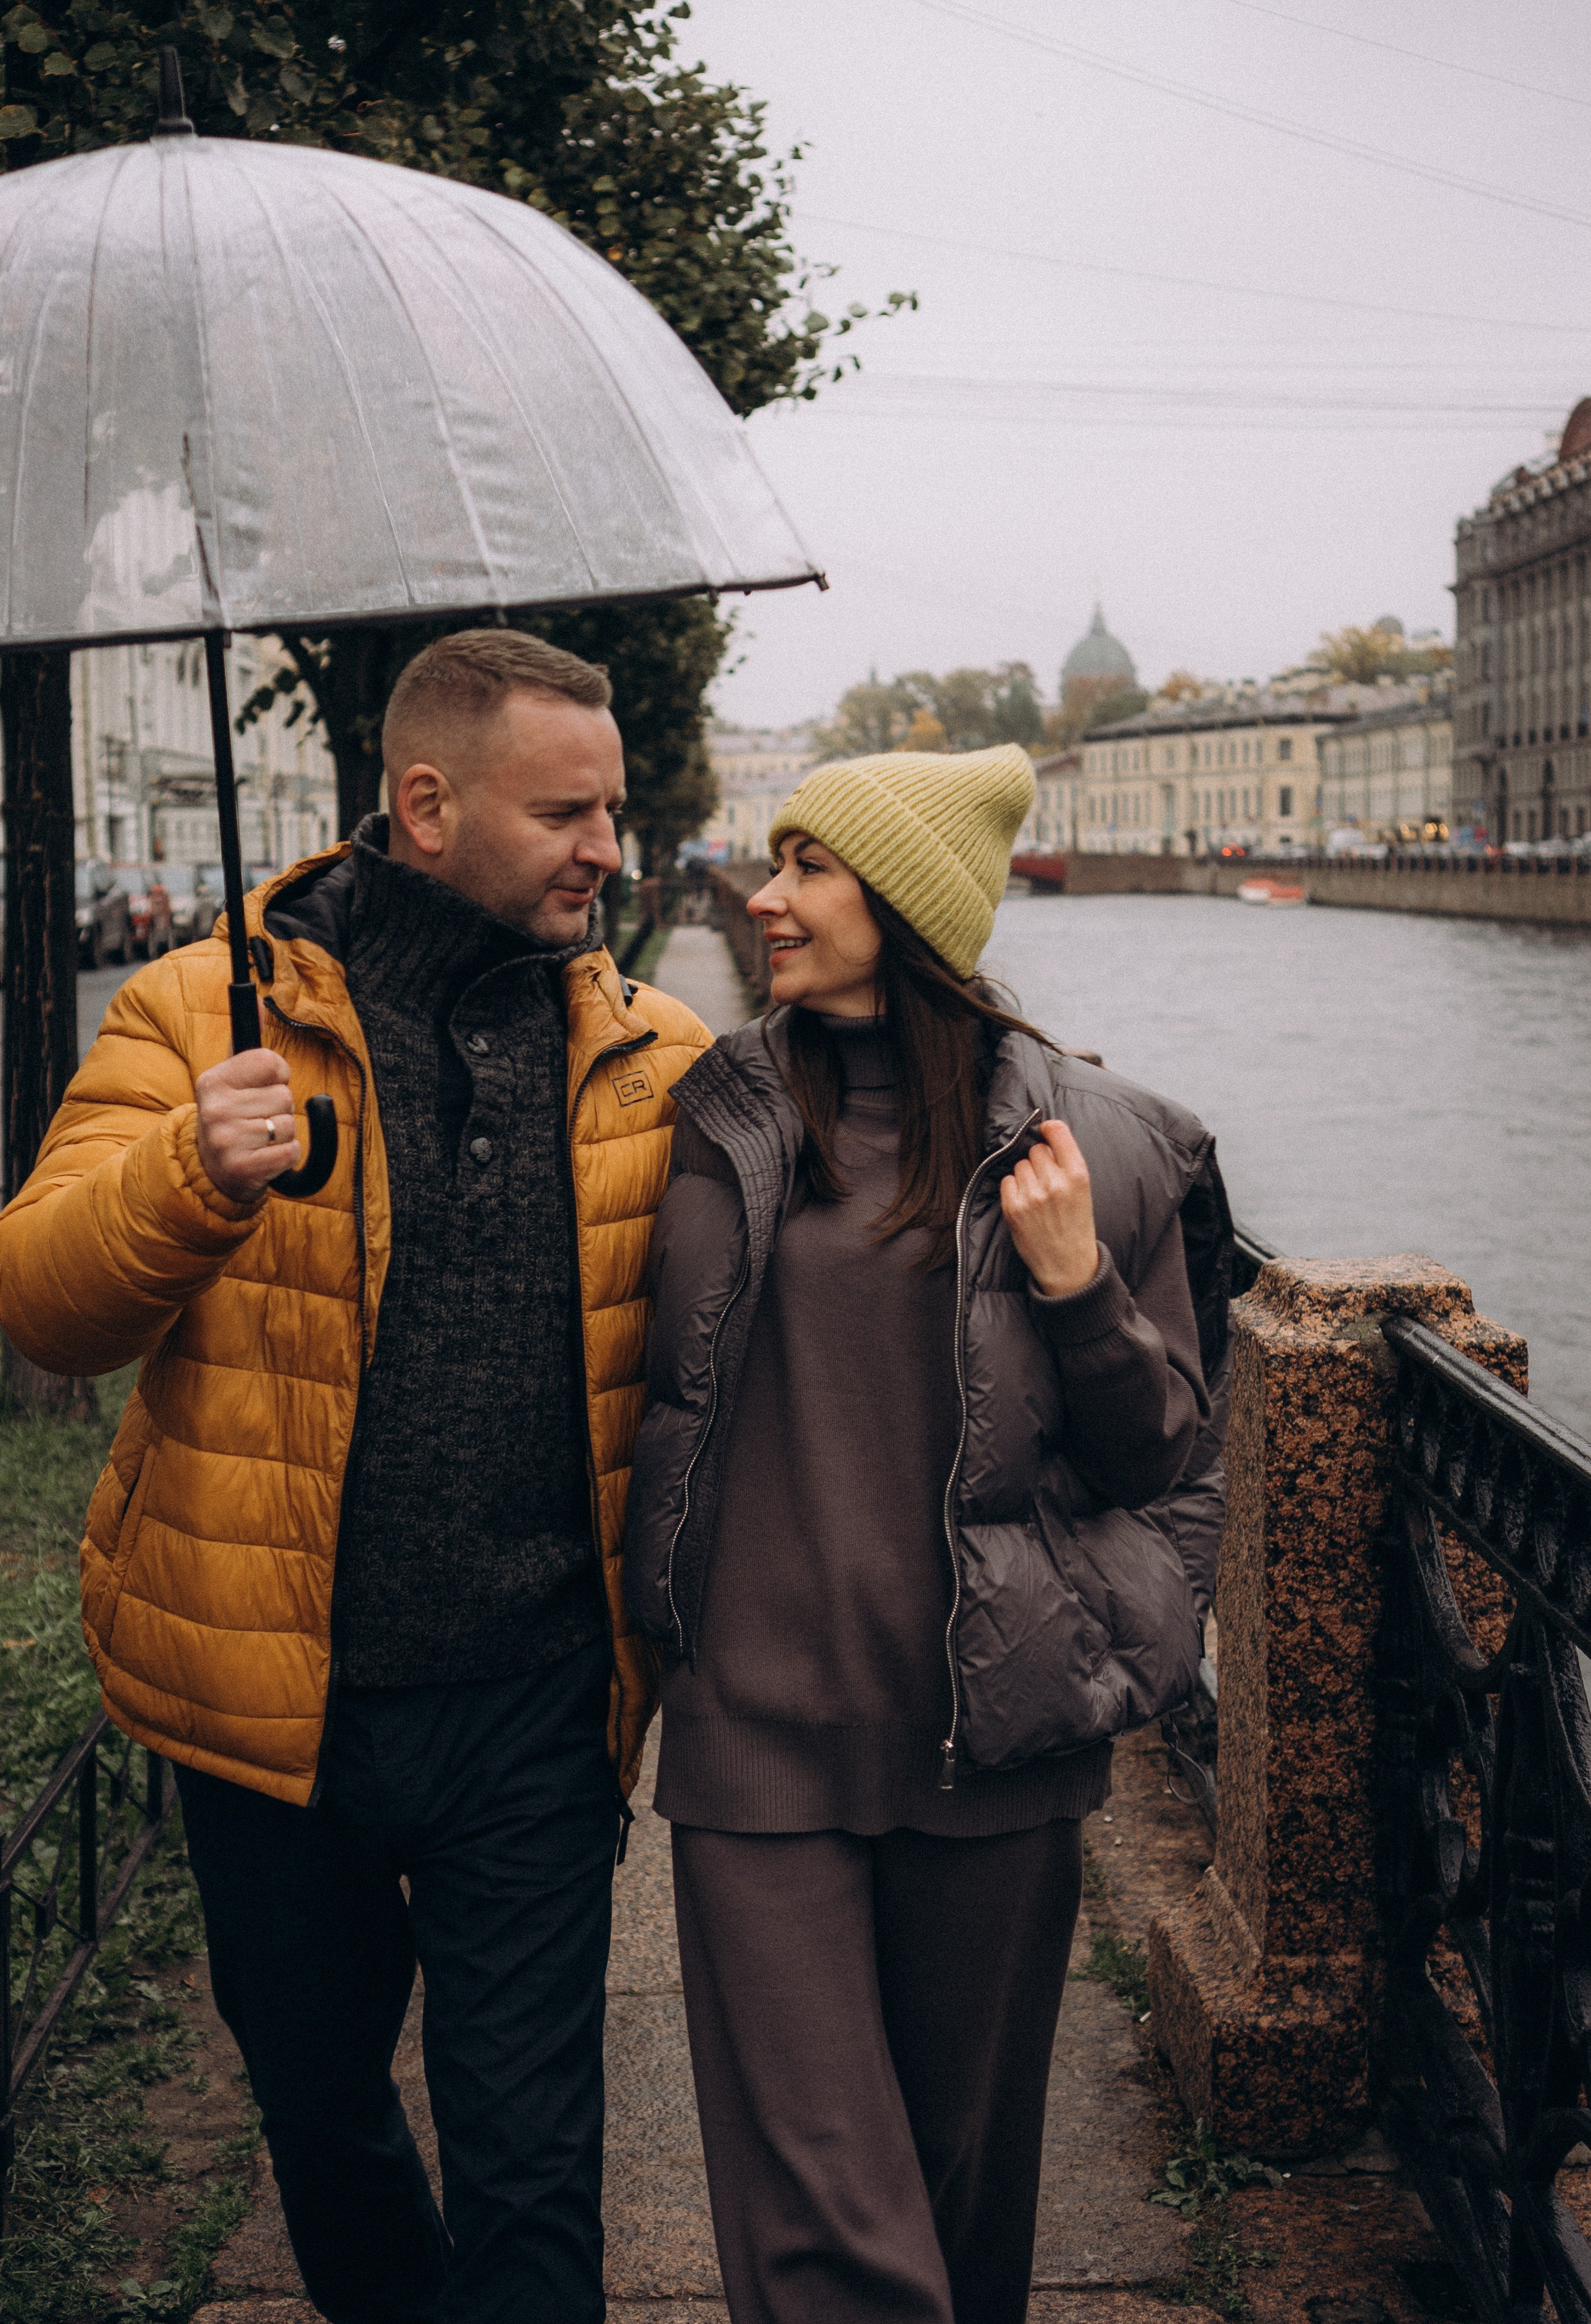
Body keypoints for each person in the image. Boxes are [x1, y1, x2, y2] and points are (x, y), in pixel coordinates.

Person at [0, 629, 712, 2324]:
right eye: (568, 813)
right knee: (322, 2121)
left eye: (612, 808)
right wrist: (190, 1169)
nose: (610, 847)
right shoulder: (198, 1010)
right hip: (266, 1708)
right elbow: (40, 1299)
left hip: (535, 1710)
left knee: (535, 2175)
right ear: (426, 802)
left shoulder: (656, 1057)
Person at [624, 743, 1231, 2324]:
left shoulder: (1094, 1142)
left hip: (990, 1746)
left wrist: (1077, 1286)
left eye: (810, 868)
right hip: (758, 1748)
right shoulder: (712, 1113)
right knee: (833, 2242)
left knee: (964, 2214)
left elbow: (1161, 1449)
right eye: (773, 861)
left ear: (906, 905)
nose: (763, 897)